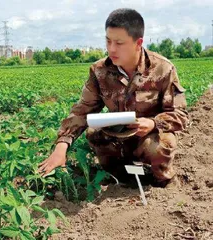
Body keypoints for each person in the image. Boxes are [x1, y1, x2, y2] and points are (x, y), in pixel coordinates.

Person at [38, 8, 188, 186]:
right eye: (108, 41)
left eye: (119, 43)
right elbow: (82, 110)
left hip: (148, 137)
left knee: (161, 146)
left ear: (138, 43)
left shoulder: (163, 69)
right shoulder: (99, 71)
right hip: (118, 137)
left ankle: (159, 181)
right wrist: (61, 146)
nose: (111, 49)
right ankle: (121, 177)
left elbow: (181, 115)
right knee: (94, 133)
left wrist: (153, 123)